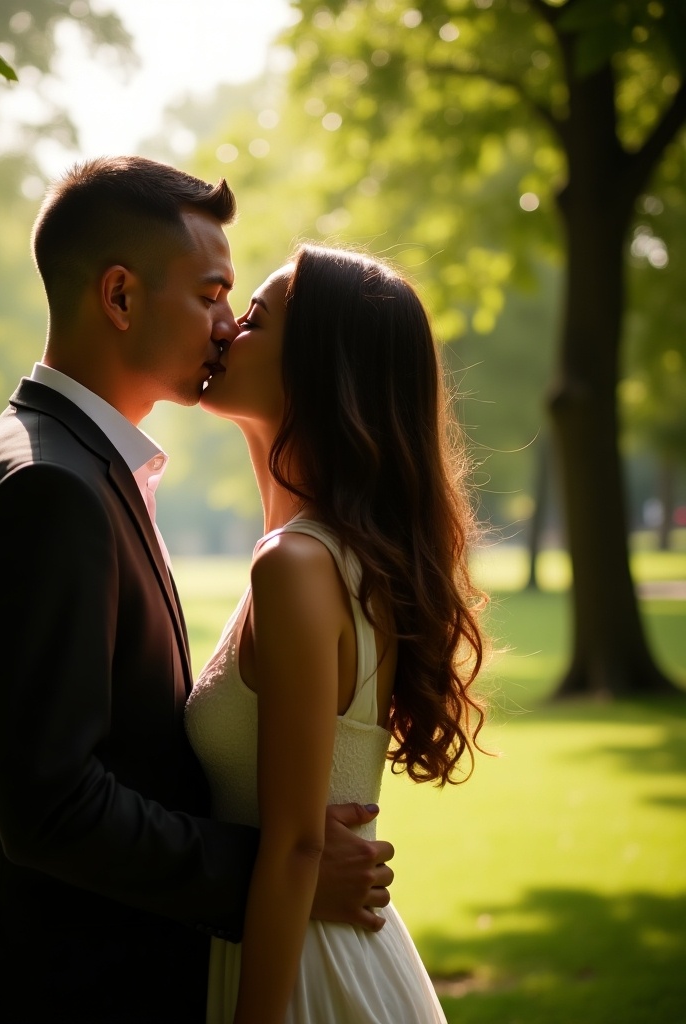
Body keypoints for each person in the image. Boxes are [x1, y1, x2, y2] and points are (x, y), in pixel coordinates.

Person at [0, 160, 397, 1024]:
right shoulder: (49, 487)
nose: (227, 327)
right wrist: (271, 869)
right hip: (73, 989)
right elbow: (53, 806)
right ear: (120, 297)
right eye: (213, 293)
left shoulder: (76, 465)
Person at [186, 244, 489, 1024]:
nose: (222, 331)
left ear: (317, 366)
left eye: (251, 319)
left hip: (299, 976)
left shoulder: (297, 566)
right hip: (327, 954)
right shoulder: (334, 558)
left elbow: (296, 847)